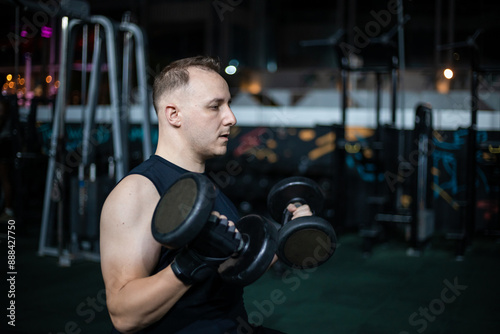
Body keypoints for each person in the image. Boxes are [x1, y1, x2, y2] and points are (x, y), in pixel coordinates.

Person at [99, 56, 312, 334]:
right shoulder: (138, 190)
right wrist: (191, 262)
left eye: (229, 104)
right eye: (215, 106)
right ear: (173, 114)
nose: (231, 118)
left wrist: (289, 235)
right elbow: (124, 315)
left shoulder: (203, 186)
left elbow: (230, 265)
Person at [0, 98, 14, 222]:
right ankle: (8, 209)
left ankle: (9, 209)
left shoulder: (4, 105)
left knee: (5, 178)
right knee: (5, 179)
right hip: (5, 145)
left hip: (3, 146)